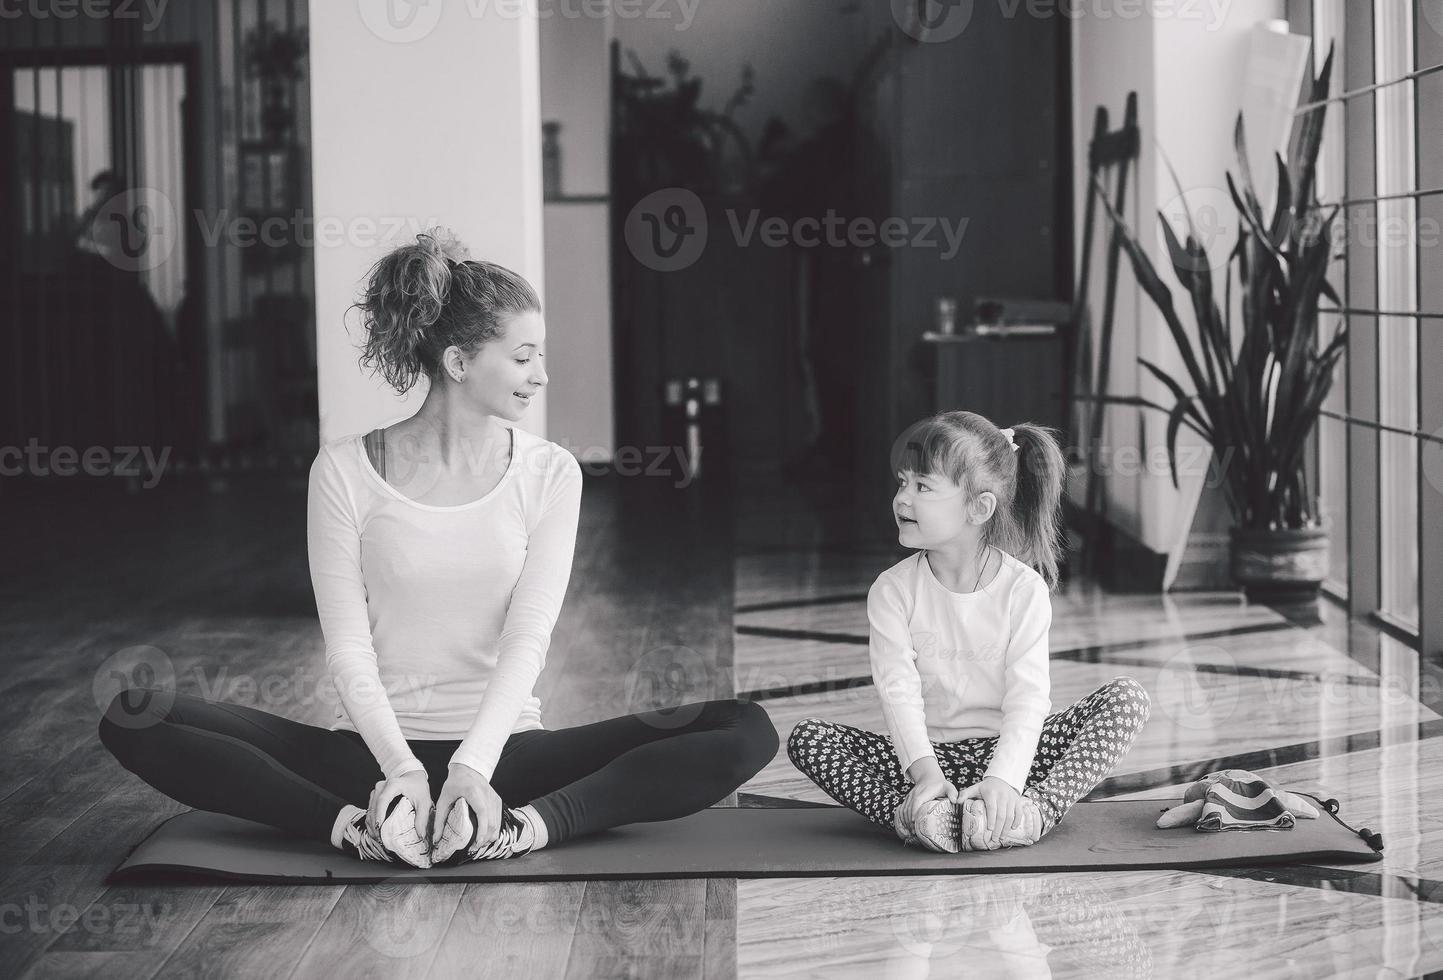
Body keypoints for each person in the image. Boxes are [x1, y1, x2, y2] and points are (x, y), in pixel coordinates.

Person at [100, 229, 778, 868]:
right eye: (522, 356)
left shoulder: (550, 473)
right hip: (366, 756)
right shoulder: (342, 470)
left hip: (506, 756)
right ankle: (360, 828)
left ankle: (518, 828)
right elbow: (346, 648)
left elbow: (528, 637)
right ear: (457, 362)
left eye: (540, 354)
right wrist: (399, 772)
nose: (541, 375)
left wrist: (470, 770)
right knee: (134, 717)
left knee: (744, 728)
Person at [786, 411, 1149, 852]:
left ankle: (1028, 812)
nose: (903, 499)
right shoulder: (892, 590)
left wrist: (1004, 779)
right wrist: (924, 773)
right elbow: (897, 691)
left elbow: (1028, 697)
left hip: (1012, 757)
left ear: (979, 508)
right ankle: (924, 812)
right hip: (927, 759)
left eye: (923, 487)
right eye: (902, 482)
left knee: (1126, 699)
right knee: (809, 738)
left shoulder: (1023, 589)